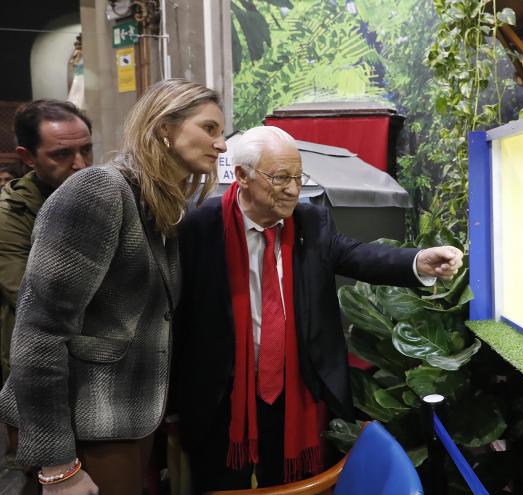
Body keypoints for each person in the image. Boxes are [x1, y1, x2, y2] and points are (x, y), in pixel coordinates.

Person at [172, 126, 463, 492]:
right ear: (242, 176)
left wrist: (418, 261)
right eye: (280, 178)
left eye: (298, 176)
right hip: (223, 391)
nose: (293, 189)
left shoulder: (311, 221)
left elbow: (358, 255)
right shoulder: (199, 227)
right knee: (221, 482)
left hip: (298, 388)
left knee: (295, 481)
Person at [0, 79, 226, 495]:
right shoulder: (100, 189)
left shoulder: (155, 203)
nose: (222, 145)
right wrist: (58, 466)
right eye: (209, 129)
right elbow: (39, 333)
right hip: (83, 424)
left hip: (125, 420)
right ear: (163, 127)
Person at [1, 100, 93, 386]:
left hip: (94, 360)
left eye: (86, 149)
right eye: (62, 154)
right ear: (28, 157)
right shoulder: (10, 214)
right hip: (35, 366)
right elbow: (35, 300)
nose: (80, 164)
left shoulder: (99, 197)